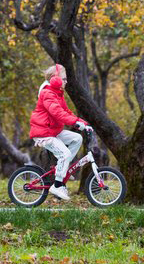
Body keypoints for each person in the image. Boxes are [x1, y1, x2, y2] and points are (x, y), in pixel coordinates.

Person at [29, 64, 91, 200]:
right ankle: (57, 185)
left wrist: (83, 123)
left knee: (76, 139)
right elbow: (57, 113)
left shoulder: (58, 93)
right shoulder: (47, 93)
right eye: (64, 79)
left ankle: (62, 170)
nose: (66, 81)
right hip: (44, 132)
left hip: (52, 131)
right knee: (65, 153)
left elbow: (66, 112)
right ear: (54, 79)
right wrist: (75, 123)